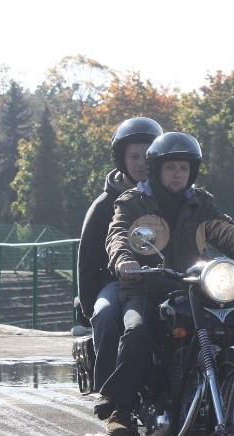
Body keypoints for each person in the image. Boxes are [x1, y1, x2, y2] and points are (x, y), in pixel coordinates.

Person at [98, 132, 234, 436]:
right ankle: (121, 408)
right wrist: (124, 260)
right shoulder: (133, 202)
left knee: (230, 325)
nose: (177, 174)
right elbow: (119, 235)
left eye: (183, 168)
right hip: (146, 288)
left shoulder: (200, 202)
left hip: (194, 287)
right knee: (137, 331)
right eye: (170, 168)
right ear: (157, 170)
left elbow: (226, 231)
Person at [77, 117, 163, 410]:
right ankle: (110, 394)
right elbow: (88, 261)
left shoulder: (171, 197)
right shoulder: (105, 205)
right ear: (122, 160)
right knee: (105, 314)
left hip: (164, 277)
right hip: (115, 281)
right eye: (134, 157)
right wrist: (89, 305)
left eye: (147, 156)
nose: (141, 163)